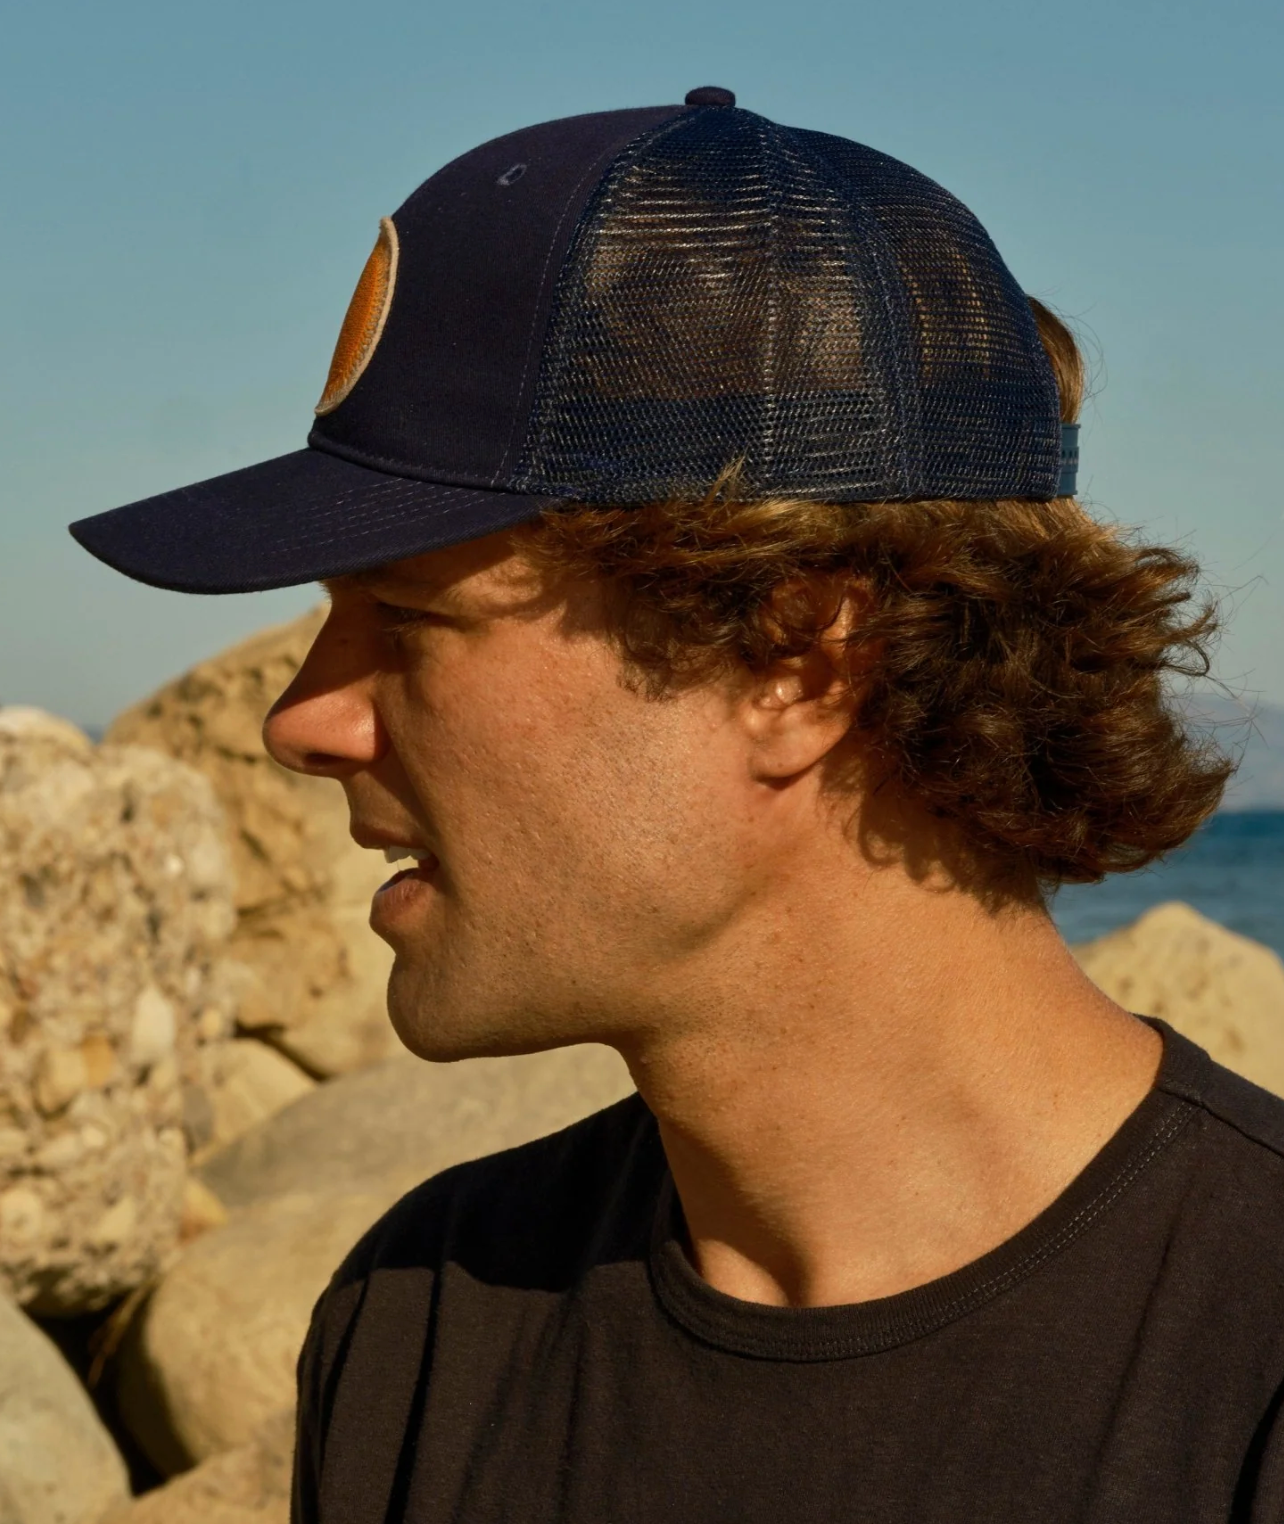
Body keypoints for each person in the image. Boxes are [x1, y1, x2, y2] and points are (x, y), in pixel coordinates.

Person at [71, 89, 1284, 1523]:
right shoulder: (425, 1327)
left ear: (798, 664)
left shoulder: (1248, 1363)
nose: (300, 720)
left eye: (408, 619)